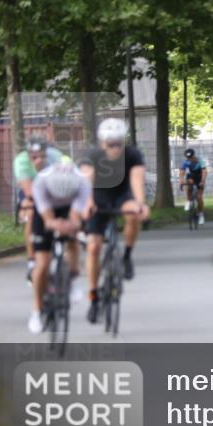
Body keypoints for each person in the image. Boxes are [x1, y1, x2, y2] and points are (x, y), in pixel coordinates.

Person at [79, 118, 149, 324]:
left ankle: (126, 255)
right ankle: (93, 297)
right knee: (93, 248)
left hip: (122, 195)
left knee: (133, 212)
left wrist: (140, 204)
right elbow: (86, 181)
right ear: (102, 143)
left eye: (119, 144)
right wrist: (88, 203)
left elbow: (137, 181)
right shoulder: (92, 155)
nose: (115, 148)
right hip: (98, 196)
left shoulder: (133, 155)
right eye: (111, 144)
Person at [27, 163, 90, 333]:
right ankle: (37, 311)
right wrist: (54, 224)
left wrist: (71, 226)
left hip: (68, 208)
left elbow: (75, 218)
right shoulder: (40, 183)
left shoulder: (82, 183)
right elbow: (47, 220)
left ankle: (72, 277)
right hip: (45, 212)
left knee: (72, 237)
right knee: (42, 265)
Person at [13, 138, 64, 285]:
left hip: (55, 187)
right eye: (34, 156)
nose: (39, 159)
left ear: (47, 152)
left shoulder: (56, 156)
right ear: (28, 155)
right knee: (31, 213)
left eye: (42, 155)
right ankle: (31, 262)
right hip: (33, 187)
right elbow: (29, 191)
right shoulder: (21, 161)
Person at [179, 147, 208, 225]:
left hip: (200, 177)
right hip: (191, 176)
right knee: (188, 182)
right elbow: (182, 171)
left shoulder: (200, 160)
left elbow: (204, 171)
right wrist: (181, 180)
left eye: (191, 157)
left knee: (199, 198)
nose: (190, 159)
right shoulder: (186, 162)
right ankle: (188, 200)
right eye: (188, 158)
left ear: (194, 155)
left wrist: (202, 181)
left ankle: (201, 214)